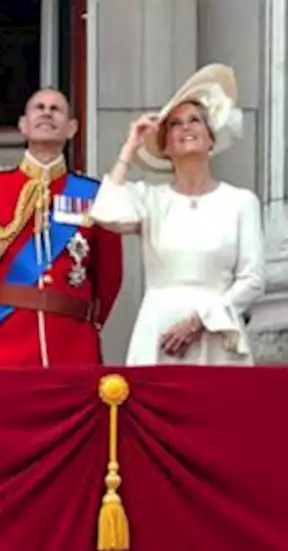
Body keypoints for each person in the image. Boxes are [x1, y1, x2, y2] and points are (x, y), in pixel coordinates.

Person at [89, 64, 264, 366]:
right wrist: (130, 148)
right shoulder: (151, 199)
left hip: (217, 333)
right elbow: (106, 214)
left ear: (211, 140)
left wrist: (200, 321)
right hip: (159, 332)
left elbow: (253, 279)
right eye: (175, 124)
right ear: (165, 147)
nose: (186, 127)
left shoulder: (240, 201)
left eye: (195, 120)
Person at [0, 88, 124, 367]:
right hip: (7, 339)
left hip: (73, 344)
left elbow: (109, 275)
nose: (47, 112)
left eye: (56, 109)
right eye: (38, 107)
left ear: (72, 128)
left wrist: (85, 318)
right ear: (23, 126)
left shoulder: (94, 195)